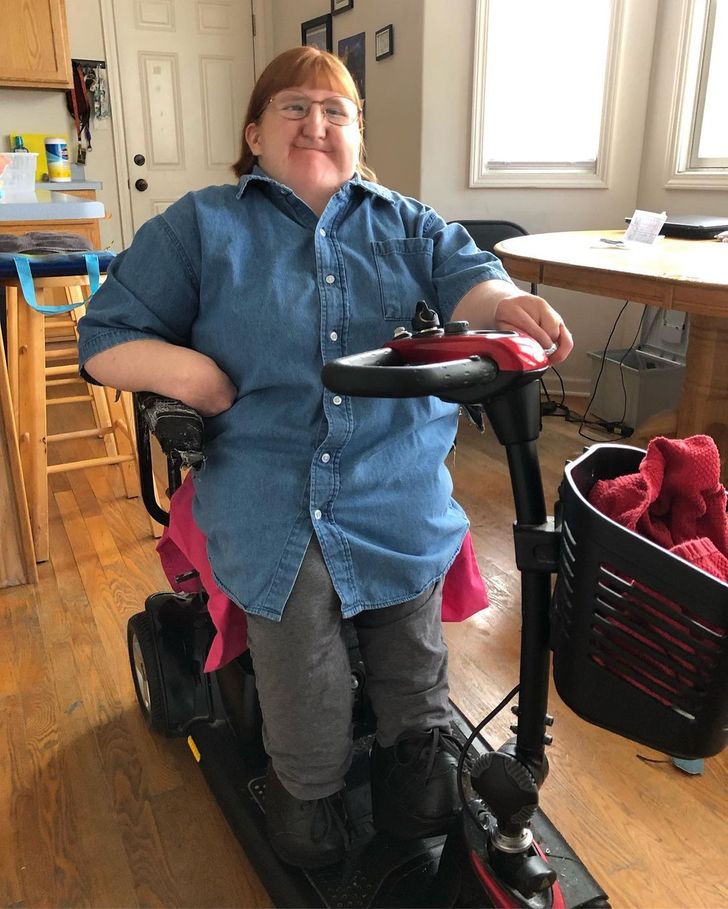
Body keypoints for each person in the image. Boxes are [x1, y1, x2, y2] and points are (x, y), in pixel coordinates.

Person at [78, 46, 573, 870]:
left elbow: (472, 279)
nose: (317, 123)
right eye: (295, 107)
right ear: (255, 134)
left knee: (409, 620)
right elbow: (104, 336)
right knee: (300, 621)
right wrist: (192, 375)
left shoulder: (407, 223)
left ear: (358, 134)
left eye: (336, 110)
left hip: (392, 472)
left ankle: (416, 758)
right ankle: (305, 790)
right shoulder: (203, 225)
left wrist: (506, 303)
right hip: (269, 477)